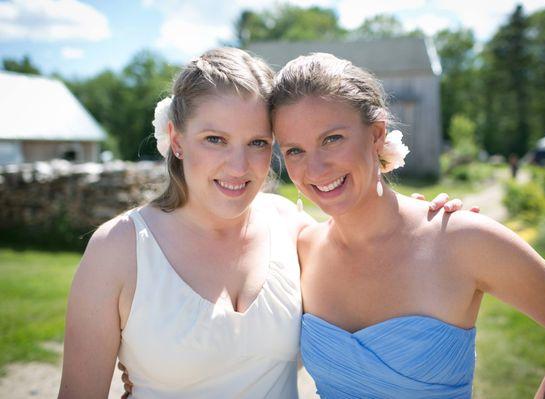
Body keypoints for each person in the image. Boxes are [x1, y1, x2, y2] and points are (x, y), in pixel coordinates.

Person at [58, 47, 465, 399]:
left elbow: (369, 244)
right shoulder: (119, 249)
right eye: (215, 139)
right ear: (177, 139)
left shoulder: (288, 225)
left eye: (257, 143)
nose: (238, 167)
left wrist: (421, 222)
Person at [269, 53, 545, 398]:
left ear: (376, 135)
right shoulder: (303, 249)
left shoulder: (462, 239)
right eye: (295, 151)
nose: (317, 169)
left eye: (332, 138)